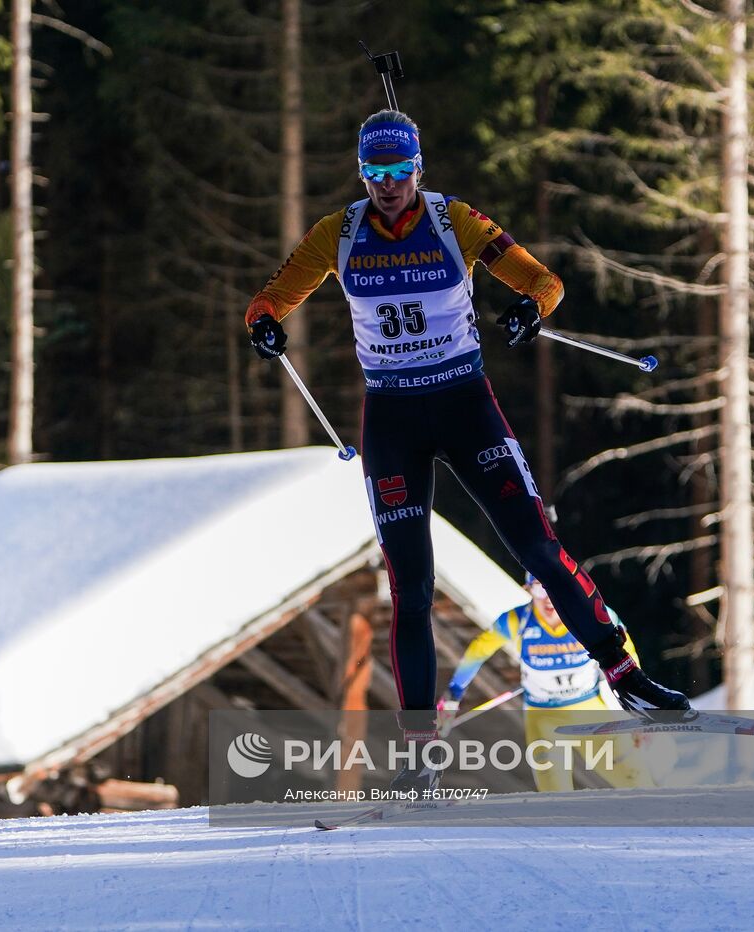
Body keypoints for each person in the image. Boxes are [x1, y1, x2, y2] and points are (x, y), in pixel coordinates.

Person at [244, 109, 690, 793]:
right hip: (391, 418)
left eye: (399, 172)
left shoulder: (457, 223)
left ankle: (625, 677)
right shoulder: (339, 233)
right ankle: (419, 752)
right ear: (361, 174)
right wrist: (265, 325)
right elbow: (269, 300)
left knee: (539, 548)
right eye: (375, 174)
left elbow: (545, 282)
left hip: (464, 406)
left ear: (417, 169)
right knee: (412, 588)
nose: (389, 186)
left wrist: (529, 310)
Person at [444, 575, 653, 792]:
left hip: (589, 712)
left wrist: (638, 709)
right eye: (539, 588)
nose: (547, 598)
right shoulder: (518, 620)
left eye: (553, 588)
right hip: (543, 718)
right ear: (528, 589)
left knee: (635, 780)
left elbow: (628, 656)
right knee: (555, 794)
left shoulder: (593, 615)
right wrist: (453, 693)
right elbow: (478, 651)